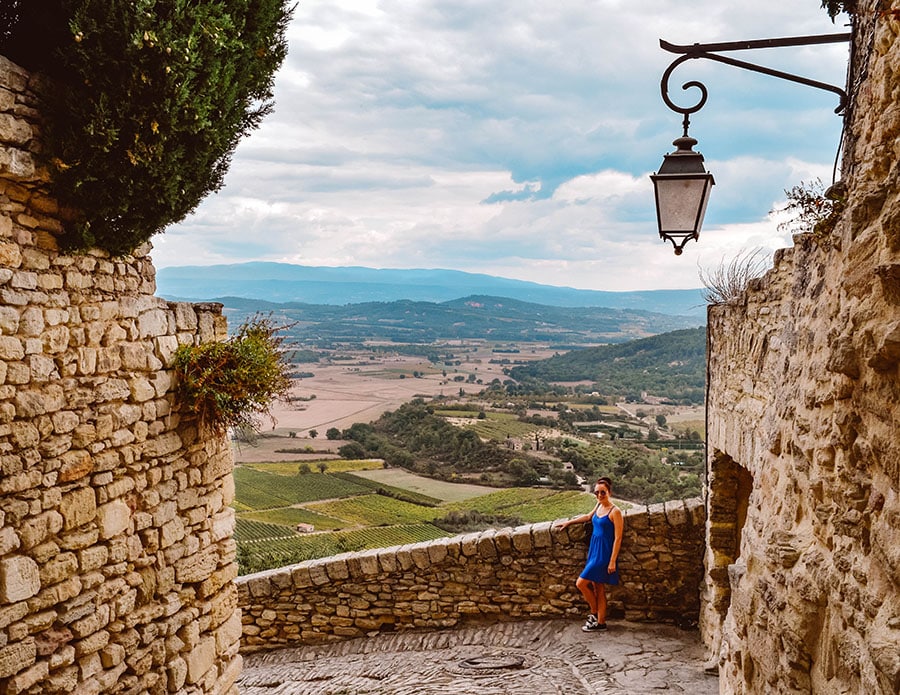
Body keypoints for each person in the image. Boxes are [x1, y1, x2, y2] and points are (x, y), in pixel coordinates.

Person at [557, 476, 624, 631]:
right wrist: (569, 522)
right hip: (594, 549)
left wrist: (612, 561)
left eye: (603, 493)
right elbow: (588, 517)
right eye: (597, 493)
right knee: (598, 587)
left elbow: (618, 538)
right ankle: (601, 623)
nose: (599, 495)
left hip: (604, 553)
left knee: (580, 583)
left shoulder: (616, 512)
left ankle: (594, 613)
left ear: (609, 492)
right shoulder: (599, 505)